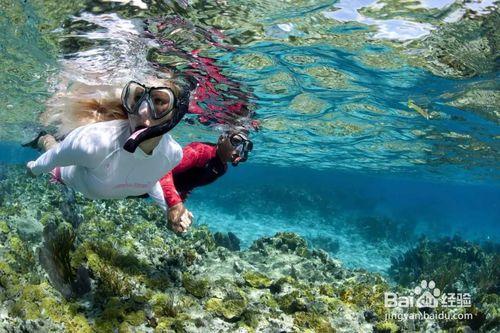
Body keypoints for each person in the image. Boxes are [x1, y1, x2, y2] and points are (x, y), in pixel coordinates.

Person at [26, 79, 194, 233]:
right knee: (52, 146)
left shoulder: (173, 154)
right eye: (137, 98)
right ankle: (44, 138)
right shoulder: (92, 143)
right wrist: (33, 169)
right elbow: (54, 157)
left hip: (97, 185)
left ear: (175, 114)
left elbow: (150, 178)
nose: (142, 111)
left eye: (158, 101)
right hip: (65, 174)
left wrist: (169, 209)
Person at [160, 131, 253, 229]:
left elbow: (192, 181)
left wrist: (178, 207)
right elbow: (163, 171)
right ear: (221, 139)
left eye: (245, 146)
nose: (239, 150)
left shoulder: (222, 168)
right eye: (236, 141)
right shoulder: (200, 151)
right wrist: (175, 205)